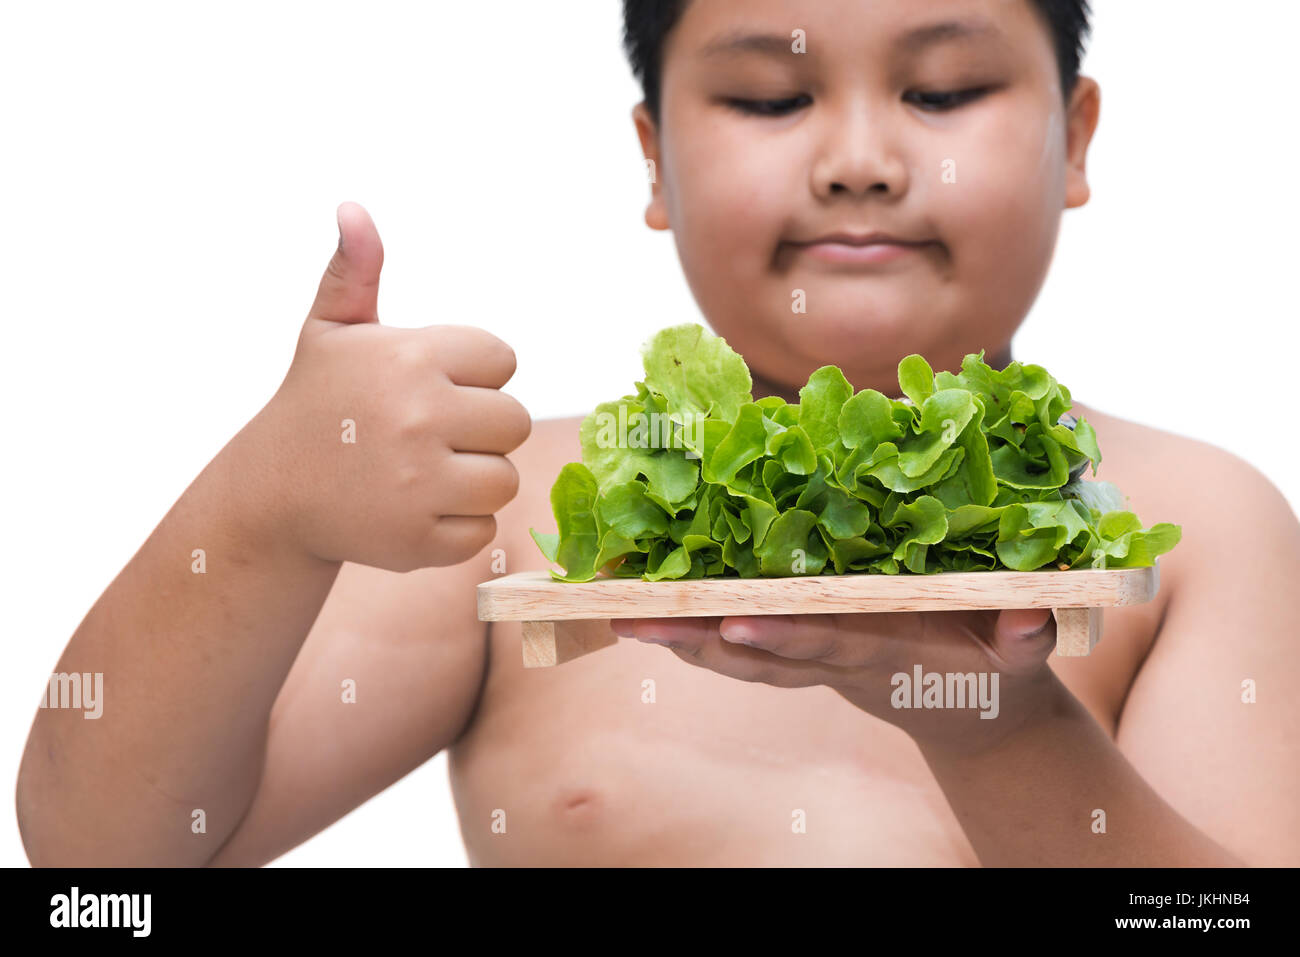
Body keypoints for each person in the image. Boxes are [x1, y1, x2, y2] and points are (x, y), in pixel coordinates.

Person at [18, 0, 1300, 867]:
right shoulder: (514, 515)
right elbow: (105, 864)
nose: (858, 159)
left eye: (944, 89)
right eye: (766, 99)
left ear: (1074, 137)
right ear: (651, 161)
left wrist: (994, 722)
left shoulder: (1191, 524)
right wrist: (262, 512)